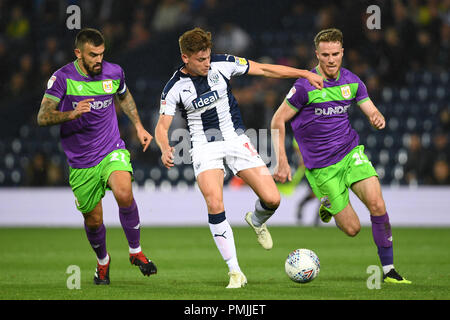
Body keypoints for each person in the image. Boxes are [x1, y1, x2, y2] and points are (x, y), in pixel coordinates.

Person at [154, 27, 323, 288]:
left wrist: (302, 73)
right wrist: (165, 147)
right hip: (203, 146)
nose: (206, 63)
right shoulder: (174, 87)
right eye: (200, 59)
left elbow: (265, 70)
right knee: (214, 201)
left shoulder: (223, 64)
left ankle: (256, 220)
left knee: (272, 198)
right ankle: (235, 271)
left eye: (208, 56)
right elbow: (162, 127)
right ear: (185, 58)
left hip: (236, 140)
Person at [271, 28, 411, 284]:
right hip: (321, 168)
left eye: (335, 54)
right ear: (317, 55)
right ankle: (328, 205)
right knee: (352, 229)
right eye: (325, 55)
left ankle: (389, 270)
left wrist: (376, 117)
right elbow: (278, 119)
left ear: (342, 52)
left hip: (350, 154)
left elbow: (371, 110)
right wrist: (281, 159)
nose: (331, 60)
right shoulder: (304, 85)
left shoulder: (353, 81)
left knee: (378, 205)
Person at [37, 28, 157, 285]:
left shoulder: (114, 72)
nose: (98, 60)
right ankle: (103, 261)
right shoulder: (62, 78)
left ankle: (135, 251)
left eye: (102, 54)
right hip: (81, 161)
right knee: (94, 222)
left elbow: (124, 97)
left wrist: (138, 126)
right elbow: (42, 117)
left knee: (124, 192)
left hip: (111, 148)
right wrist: (70, 114)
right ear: (78, 53)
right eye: (93, 55)